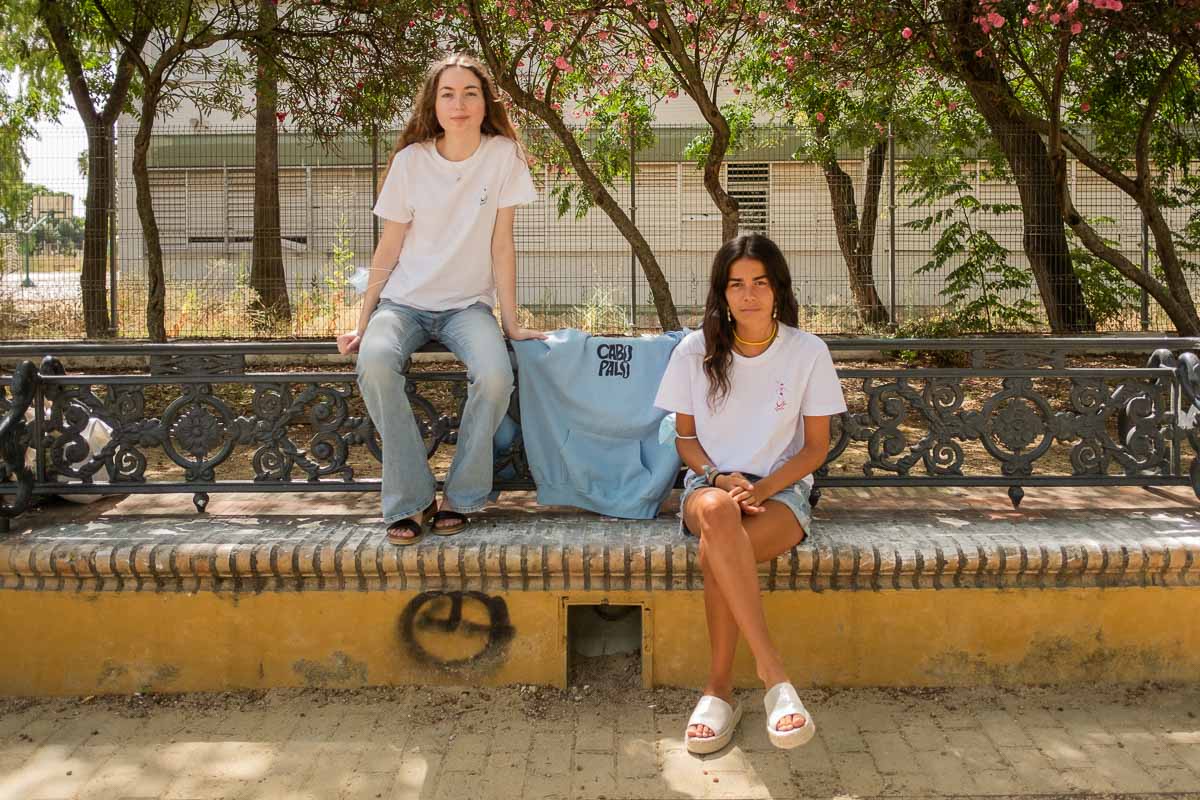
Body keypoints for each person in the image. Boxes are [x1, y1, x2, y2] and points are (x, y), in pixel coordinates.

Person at [337, 53, 544, 546]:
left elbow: (502, 244)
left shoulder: (502, 156)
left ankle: (461, 495)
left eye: (470, 92)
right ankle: (412, 498)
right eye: (448, 93)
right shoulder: (411, 162)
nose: (459, 103)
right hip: (403, 303)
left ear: (484, 101)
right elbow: (388, 246)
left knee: (497, 377)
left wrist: (511, 323)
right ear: (434, 104)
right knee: (375, 362)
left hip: (468, 306)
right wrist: (364, 321)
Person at [653, 233, 847, 754]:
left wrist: (760, 489)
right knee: (717, 515)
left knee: (721, 549)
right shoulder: (696, 350)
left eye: (760, 283)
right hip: (709, 486)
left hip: (780, 494)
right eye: (736, 284)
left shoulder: (808, 352)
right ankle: (773, 677)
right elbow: (685, 439)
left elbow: (814, 449)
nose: (749, 294)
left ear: (777, 289)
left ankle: (718, 692)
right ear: (722, 292)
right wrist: (718, 478)